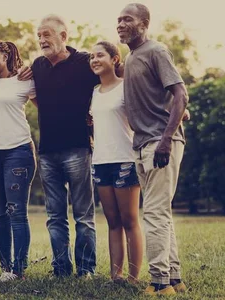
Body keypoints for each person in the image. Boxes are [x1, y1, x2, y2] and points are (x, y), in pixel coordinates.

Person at [118, 3, 189, 295]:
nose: (121, 24)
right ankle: (174, 279)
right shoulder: (132, 56)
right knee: (161, 212)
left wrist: (165, 140)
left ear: (144, 23)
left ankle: (158, 282)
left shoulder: (155, 51)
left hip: (160, 143)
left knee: (155, 214)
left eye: (128, 19)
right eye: (118, 20)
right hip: (142, 143)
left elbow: (181, 94)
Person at [30, 15, 98, 278]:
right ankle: (60, 268)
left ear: (64, 36)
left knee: (83, 215)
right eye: (39, 36)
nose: (42, 40)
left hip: (78, 148)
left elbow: (114, 78)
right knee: (55, 216)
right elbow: (36, 98)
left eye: (47, 34)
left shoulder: (85, 61)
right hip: (47, 151)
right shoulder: (37, 65)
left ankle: (86, 269)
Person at [0, 40, 37, 281]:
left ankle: (19, 270)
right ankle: (6, 269)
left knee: (17, 212)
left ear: (5, 54)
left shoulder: (25, 81)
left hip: (18, 151)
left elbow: (49, 106)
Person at [88, 41, 143, 283]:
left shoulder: (125, 88)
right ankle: (115, 276)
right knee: (112, 222)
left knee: (129, 220)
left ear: (114, 59)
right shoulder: (93, 93)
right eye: (92, 57)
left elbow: (140, 117)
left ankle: (133, 277)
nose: (95, 60)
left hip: (125, 160)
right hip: (101, 162)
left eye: (100, 55)